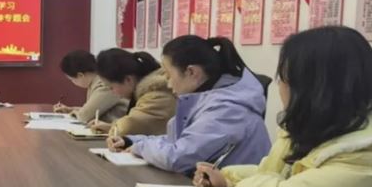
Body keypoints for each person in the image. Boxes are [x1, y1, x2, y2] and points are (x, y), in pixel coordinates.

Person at [193, 27, 372, 187]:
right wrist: (226, 180)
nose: (280, 88)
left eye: (284, 79)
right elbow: (273, 175)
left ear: (312, 88)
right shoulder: (311, 130)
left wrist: (246, 186)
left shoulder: (363, 154)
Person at [108, 36, 271, 174]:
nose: (168, 83)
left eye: (169, 75)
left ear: (192, 72)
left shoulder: (227, 109)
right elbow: (179, 140)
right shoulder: (208, 98)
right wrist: (131, 141)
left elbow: (177, 157)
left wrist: (140, 147)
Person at [90, 49, 176, 136]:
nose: (112, 92)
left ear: (128, 80)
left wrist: (114, 128)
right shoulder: (150, 91)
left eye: (111, 87)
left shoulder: (157, 95)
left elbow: (128, 127)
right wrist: (111, 127)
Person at [53, 50, 127, 123]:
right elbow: (92, 110)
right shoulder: (95, 82)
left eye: (72, 79)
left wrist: (74, 113)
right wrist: (70, 110)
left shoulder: (104, 84)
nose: (73, 83)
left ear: (80, 75)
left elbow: (85, 116)